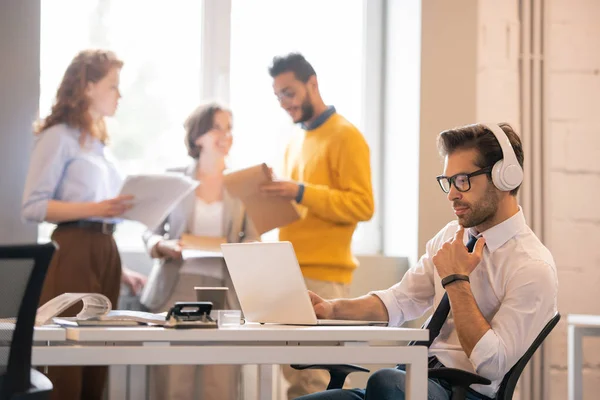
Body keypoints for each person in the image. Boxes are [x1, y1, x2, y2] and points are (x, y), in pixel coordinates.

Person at [297, 122, 558, 400]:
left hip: (463, 394)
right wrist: (331, 309)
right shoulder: (450, 236)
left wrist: (456, 281)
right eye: (448, 182)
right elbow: (400, 300)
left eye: (462, 180)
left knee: (385, 382)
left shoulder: (532, 267)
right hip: (411, 381)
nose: (451, 194)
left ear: (504, 178)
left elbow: (491, 365)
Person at [21, 49, 147, 400]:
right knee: (69, 365)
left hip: (105, 251)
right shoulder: (57, 136)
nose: (119, 95)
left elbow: (100, 215)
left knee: (97, 362)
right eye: (113, 86)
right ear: (89, 87)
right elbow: (33, 206)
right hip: (73, 249)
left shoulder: (97, 144)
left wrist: (119, 268)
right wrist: (98, 207)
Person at [261, 52, 375, 398]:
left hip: (322, 280)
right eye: (278, 95)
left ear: (313, 84)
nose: (284, 102)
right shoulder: (293, 141)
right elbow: (302, 207)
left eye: (289, 92)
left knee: (319, 381)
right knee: (295, 380)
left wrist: (300, 191)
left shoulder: (345, 136)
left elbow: (362, 205)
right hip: (288, 274)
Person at [140, 102, 260, 400]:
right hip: (176, 286)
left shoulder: (241, 184)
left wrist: (240, 250)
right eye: (218, 127)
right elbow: (149, 231)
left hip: (221, 290)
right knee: (173, 381)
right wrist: (162, 245)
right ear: (198, 137)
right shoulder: (174, 179)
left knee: (219, 382)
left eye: (229, 128)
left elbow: (254, 240)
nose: (226, 135)